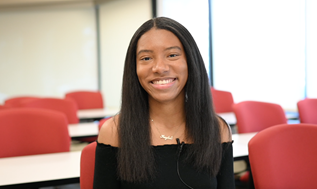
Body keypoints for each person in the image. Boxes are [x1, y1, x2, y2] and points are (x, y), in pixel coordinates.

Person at [93, 17, 235, 189]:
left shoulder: (216, 129)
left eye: (172, 55)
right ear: (134, 69)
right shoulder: (115, 131)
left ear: (191, 62)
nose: (159, 68)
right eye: (146, 58)